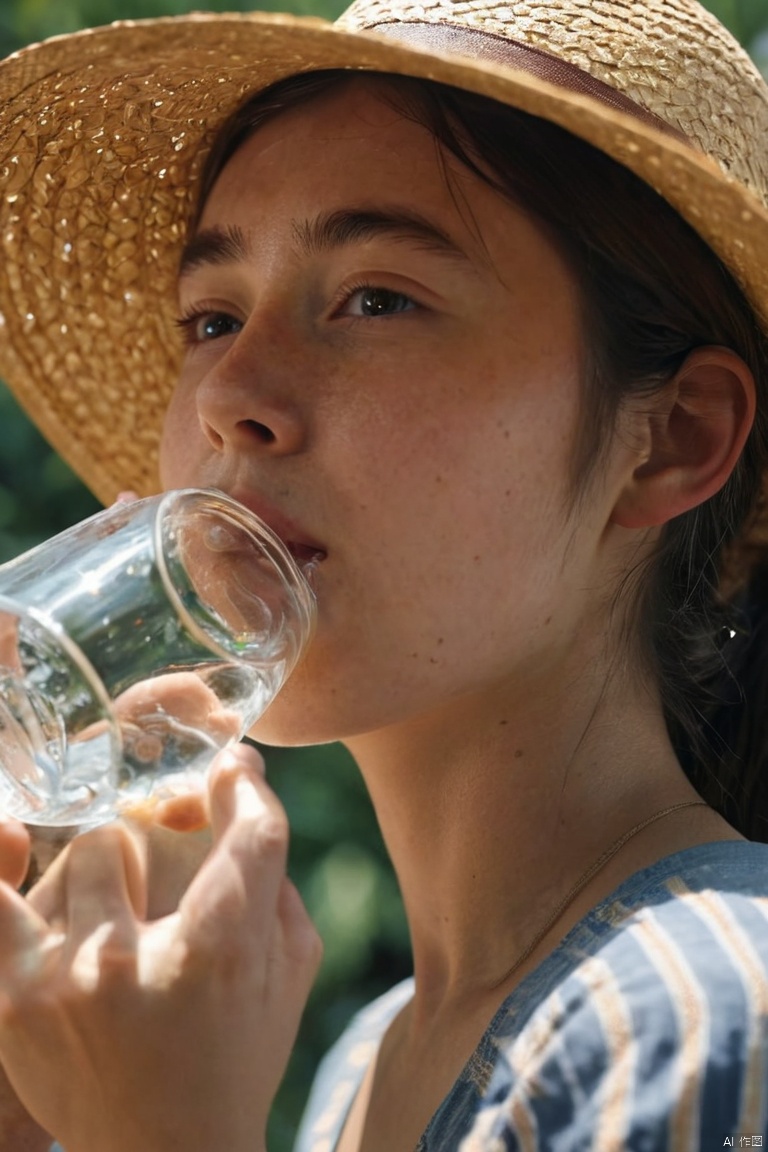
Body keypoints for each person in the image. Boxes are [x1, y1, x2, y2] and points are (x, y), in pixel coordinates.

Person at [0, 0, 766, 1148]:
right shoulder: (367, 1057)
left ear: (674, 438)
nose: (227, 395)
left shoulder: (701, 1021)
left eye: (376, 299)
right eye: (211, 317)